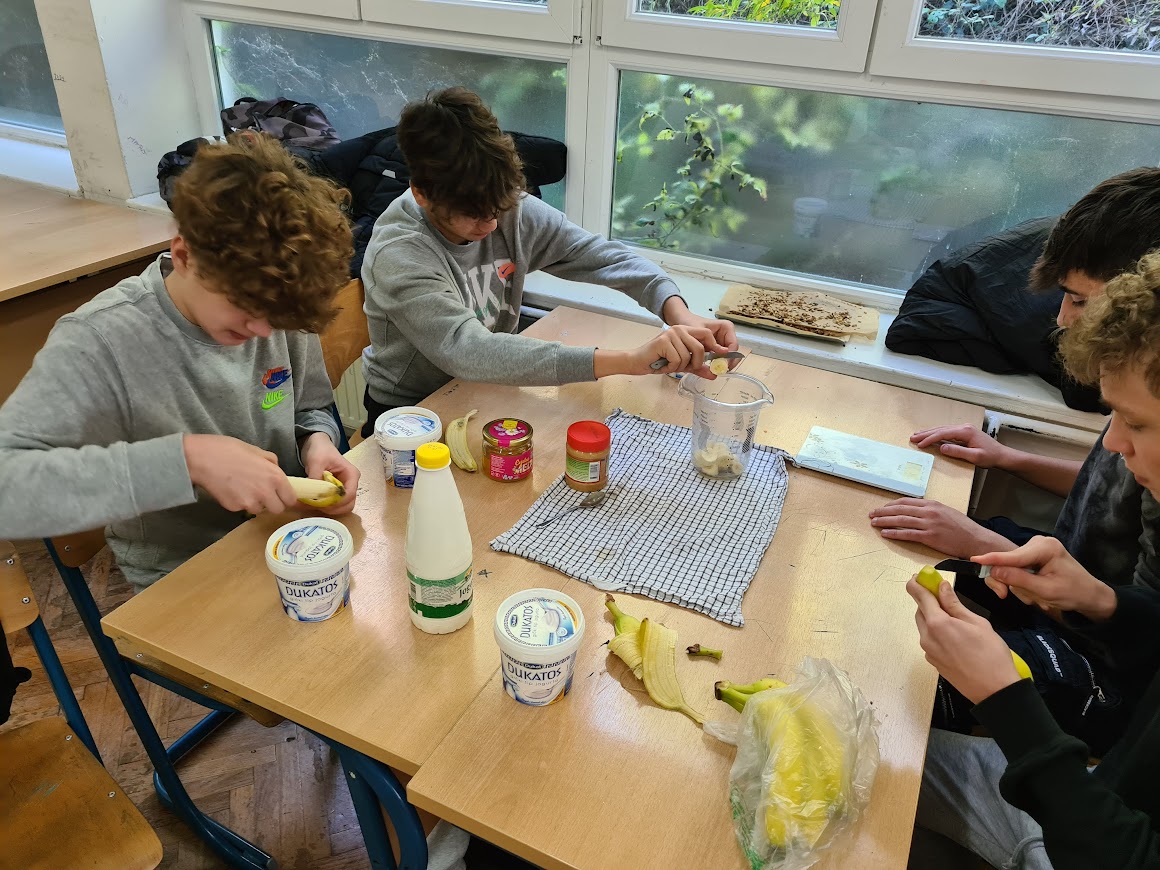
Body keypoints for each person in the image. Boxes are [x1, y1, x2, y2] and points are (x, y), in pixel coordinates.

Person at [870, 168, 1160, 753]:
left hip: (1103, 670)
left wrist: (982, 542)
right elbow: (1114, 486)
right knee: (895, 573)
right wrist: (1008, 459)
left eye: (1079, 299)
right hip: (1075, 592)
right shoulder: (1138, 401)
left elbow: (1138, 640)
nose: (1062, 318)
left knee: (895, 676)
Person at [0, 133, 360, 592]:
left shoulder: (278, 301)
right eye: (244, 305)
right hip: (183, 572)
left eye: (276, 319)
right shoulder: (101, 340)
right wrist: (187, 461)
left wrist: (317, 442)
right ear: (185, 255)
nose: (263, 331)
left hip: (289, 537)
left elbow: (309, 406)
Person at [909, 252, 1160, 868]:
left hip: (1090, 835)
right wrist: (1100, 602)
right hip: (1101, 790)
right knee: (879, 746)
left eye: (1135, 423)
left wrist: (1005, 699)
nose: (1112, 443)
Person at [359, 86, 738, 437]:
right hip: (410, 413)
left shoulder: (504, 205)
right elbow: (468, 351)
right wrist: (629, 360)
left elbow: (603, 257)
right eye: (473, 215)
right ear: (421, 194)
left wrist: (679, 313)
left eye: (498, 208)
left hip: (488, 388)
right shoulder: (399, 251)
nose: (492, 225)